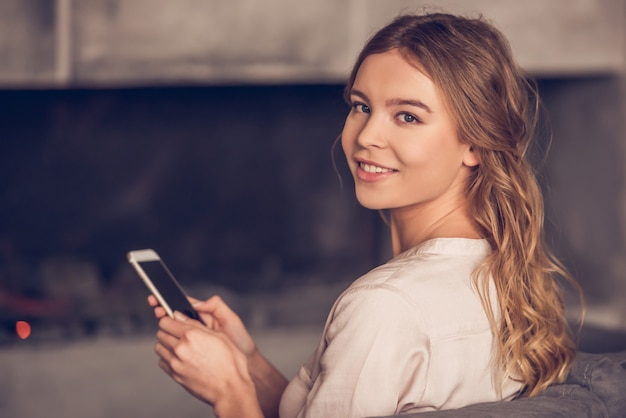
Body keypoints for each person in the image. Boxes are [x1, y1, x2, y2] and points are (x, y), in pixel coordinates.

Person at [148, 12, 582, 418]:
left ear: (474, 143)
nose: (366, 135)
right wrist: (247, 363)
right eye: (361, 106)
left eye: (407, 116)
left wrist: (229, 391)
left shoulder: (384, 307)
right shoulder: (500, 271)